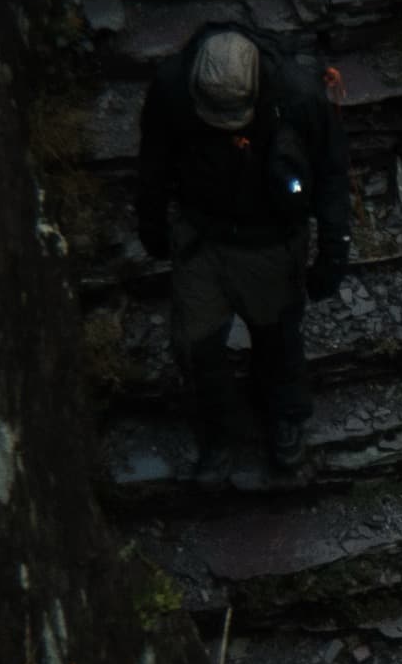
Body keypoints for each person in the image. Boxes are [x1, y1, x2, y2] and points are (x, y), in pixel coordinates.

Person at [134, 24, 351, 480]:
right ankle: (217, 433)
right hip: (202, 236)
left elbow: (332, 173)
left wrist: (334, 249)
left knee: (277, 337)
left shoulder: (300, 97)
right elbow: (152, 160)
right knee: (197, 345)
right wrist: (152, 224)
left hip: (271, 239)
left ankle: (283, 420)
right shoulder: (172, 87)